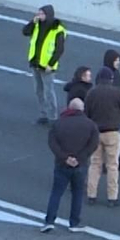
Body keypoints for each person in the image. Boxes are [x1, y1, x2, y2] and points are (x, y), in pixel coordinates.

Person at [42, 98, 98, 233]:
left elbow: (52, 143)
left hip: (62, 164)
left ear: (69, 108)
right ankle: (74, 223)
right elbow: (93, 144)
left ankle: (49, 221)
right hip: (80, 165)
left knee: (56, 193)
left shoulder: (59, 123)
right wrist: (79, 159)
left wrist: (65, 158)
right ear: (82, 109)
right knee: (77, 194)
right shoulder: (90, 125)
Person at [85, 67, 120, 207]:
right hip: (112, 133)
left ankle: (91, 195)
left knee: (95, 164)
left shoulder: (92, 92)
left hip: (96, 132)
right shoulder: (117, 92)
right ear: (110, 79)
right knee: (112, 165)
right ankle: (112, 197)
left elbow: (86, 112)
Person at [22, 4, 66, 125]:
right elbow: (25, 32)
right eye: (39, 13)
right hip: (35, 62)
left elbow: (59, 49)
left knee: (48, 91)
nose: (39, 16)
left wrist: (51, 64)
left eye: (42, 14)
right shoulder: (36, 24)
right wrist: (32, 22)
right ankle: (43, 114)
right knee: (38, 90)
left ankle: (53, 116)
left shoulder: (58, 30)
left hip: (47, 66)